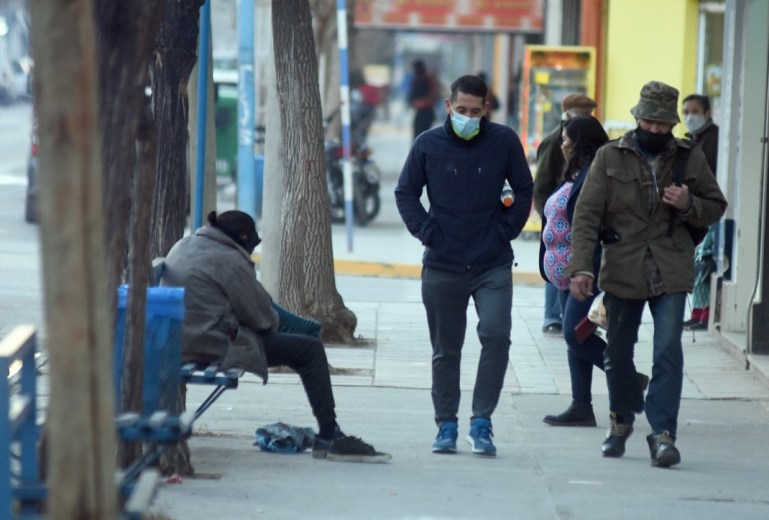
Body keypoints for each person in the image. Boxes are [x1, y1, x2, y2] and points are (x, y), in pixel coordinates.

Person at [565, 81, 726, 467]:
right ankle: (620, 422)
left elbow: (715, 204)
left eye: (662, 123)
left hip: (671, 267)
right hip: (623, 266)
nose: (655, 129)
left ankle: (663, 434)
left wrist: (688, 203)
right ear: (637, 118)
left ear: (672, 124)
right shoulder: (609, 157)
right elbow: (586, 216)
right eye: (649, 122)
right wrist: (581, 267)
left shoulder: (689, 157)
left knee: (668, 349)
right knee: (618, 351)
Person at [161, 210, 390, 463]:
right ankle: (329, 434)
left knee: (298, 340)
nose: (251, 252)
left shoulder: (185, 245)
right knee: (311, 350)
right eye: (251, 246)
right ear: (243, 238)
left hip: (175, 341)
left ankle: (329, 433)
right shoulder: (230, 260)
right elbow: (260, 318)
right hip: (211, 345)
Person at [394, 74, 534, 457]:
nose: (468, 117)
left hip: (492, 263)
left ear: (486, 108)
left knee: (496, 336)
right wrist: (428, 232)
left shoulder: (504, 141)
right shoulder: (427, 144)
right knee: (446, 349)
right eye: (461, 110)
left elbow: (524, 190)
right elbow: (406, 192)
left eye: (475, 111)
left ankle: (481, 422)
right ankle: (447, 425)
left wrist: (505, 230)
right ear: (448, 106)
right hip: (443, 263)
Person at [539, 115, 650, 427]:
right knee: (575, 337)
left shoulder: (597, 172)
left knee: (575, 334)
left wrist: (583, 267)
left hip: (587, 269)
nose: (563, 145)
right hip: (567, 272)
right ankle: (581, 405)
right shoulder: (576, 171)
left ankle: (629, 379)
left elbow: (596, 221)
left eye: (567, 141)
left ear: (581, 143)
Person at [534, 94, 599, 335]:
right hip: (557, 224)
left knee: (575, 331)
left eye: (589, 113)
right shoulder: (555, 142)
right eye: (583, 112)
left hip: (575, 237)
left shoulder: (592, 148)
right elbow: (542, 183)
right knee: (556, 275)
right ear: (569, 112)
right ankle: (552, 316)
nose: (587, 116)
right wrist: (550, 216)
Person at [682, 94, 720, 331]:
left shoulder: (712, 139)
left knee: (704, 261)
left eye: (694, 112)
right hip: (696, 208)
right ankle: (697, 312)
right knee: (698, 262)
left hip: (708, 209)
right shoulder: (694, 140)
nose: (689, 117)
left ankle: (704, 314)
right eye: (685, 112)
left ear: (707, 113)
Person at [407, 59, 439, 140]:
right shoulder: (418, 80)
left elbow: (432, 96)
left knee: (421, 137)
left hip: (426, 111)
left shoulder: (428, 79)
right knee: (418, 137)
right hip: (422, 111)